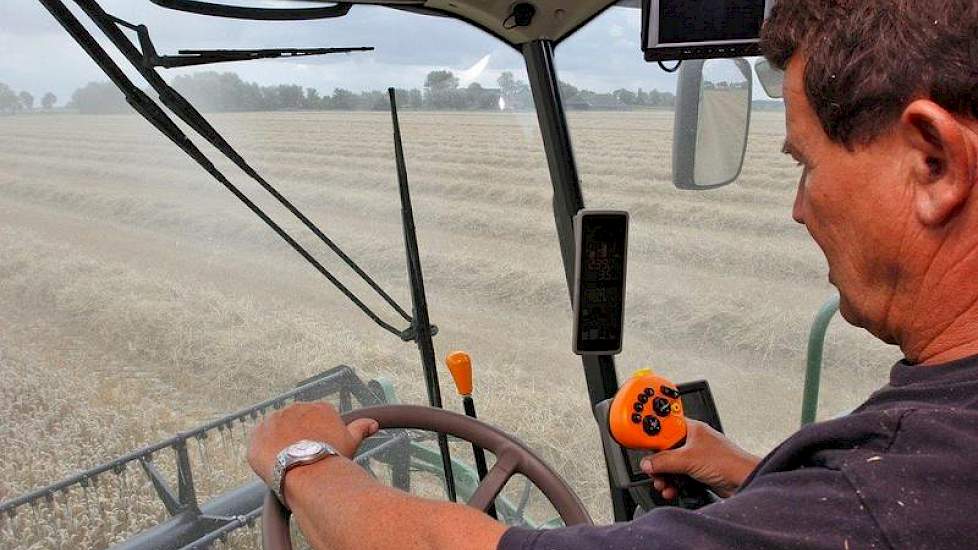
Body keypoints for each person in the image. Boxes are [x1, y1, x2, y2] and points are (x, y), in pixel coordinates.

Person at [247, 1, 978, 548]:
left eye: (806, 165)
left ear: (933, 163)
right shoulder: (917, 469)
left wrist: (304, 462)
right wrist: (747, 473)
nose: (797, 208)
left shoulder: (892, 493)